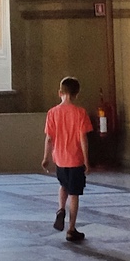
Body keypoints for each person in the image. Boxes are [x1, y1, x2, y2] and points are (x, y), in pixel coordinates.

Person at [42, 75, 93, 244]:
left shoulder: (52, 113)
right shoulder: (80, 113)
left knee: (63, 186)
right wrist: (86, 160)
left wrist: (46, 157)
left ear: (60, 93)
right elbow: (82, 138)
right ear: (77, 94)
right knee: (75, 194)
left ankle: (60, 208)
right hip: (76, 159)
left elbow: (49, 138)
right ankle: (71, 229)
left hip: (60, 159)